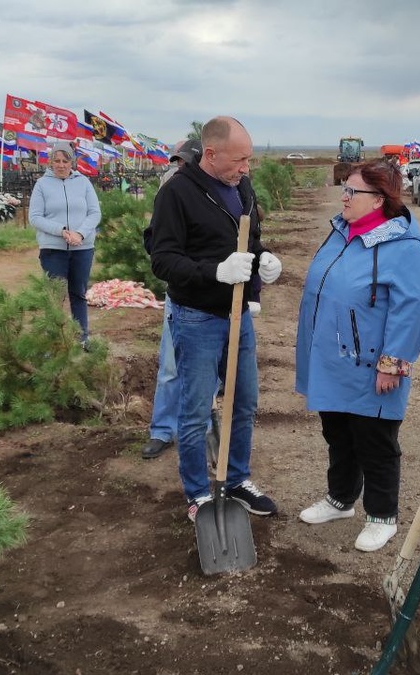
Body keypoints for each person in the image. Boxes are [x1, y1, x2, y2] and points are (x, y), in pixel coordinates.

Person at [148, 116, 281, 521]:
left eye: (250, 159)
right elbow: (163, 259)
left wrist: (263, 262)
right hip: (196, 318)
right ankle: (197, 494)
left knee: (243, 402)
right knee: (195, 409)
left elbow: (250, 240)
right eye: (240, 159)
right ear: (210, 154)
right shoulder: (177, 194)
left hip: (238, 315)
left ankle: (237, 480)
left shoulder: (241, 186)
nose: (246, 168)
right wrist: (215, 272)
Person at [295, 161, 420, 552]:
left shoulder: (404, 249)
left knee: (375, 440)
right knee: (337, 433)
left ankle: (382, 515)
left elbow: (413, 309)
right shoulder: (340, 234)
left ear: (379, 200)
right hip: (331, 360)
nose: (344, 197)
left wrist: (393, 363)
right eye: (345, 189)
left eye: (352, 192)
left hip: (370, 363)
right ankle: (340, 500)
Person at [142, 138, 205, 460]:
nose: (178, 167)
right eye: (176, 162)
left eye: (184, 162)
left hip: (212, 300)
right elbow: (155, 238)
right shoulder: (170, 188)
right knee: (170, 366)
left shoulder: (222, 190)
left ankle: (202, 431)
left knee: (209, 372)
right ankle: (162, 430)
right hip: (180, 293)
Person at [29, 146, 101, 347]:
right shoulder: (42, 185)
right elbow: (35, 217)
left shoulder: (83, 182)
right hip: (53, 249)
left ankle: (82, 338)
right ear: (50, 162)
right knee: (55, 297)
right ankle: (55, 342)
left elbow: (95, 213)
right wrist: (61, 231)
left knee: (78, 293)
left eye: (65, 161)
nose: (61, 165)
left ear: (72, 162)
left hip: (82, 248)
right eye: (57, 161)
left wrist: (80, 233)